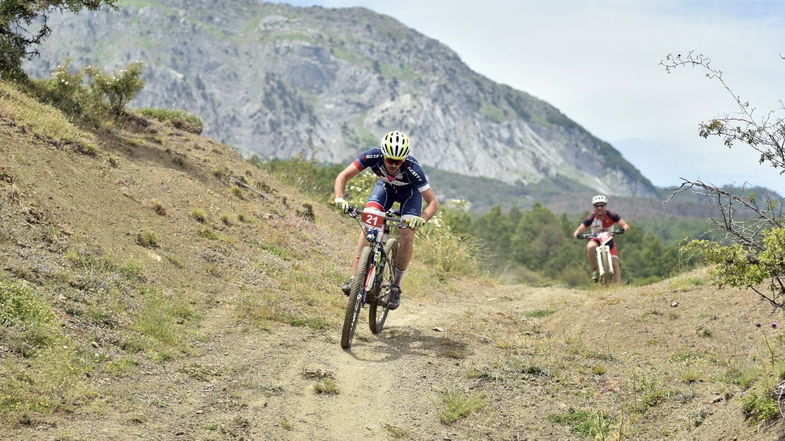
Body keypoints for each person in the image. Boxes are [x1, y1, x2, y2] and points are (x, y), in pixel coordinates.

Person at [333, 130, 439, 310]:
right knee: (369, 221)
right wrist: (339, 198)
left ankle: (396, 286)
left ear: (404, 159)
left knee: (406, 234)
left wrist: (422, 218)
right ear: (383, 155)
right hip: (385, 189)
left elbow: (433, 203)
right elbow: (343, 176)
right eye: (389, 160)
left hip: (410, 196)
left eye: (398, 161)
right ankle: (355, 278)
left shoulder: (413, 169)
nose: (393, 165)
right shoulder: (371, 156)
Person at [572, 194, 630, 284]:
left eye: (602, 205)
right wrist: (579, 235)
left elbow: (626, 225)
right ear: (594, 207)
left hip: (609, 240)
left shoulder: (612, 215)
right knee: (590, 246)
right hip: (595, 239)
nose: (599, 208)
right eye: (597, 206)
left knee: (614, 262)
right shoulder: (590, 218)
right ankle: (595, 270)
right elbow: (576, 232)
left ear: (605, 206)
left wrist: (622, 229)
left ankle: (619, 286)